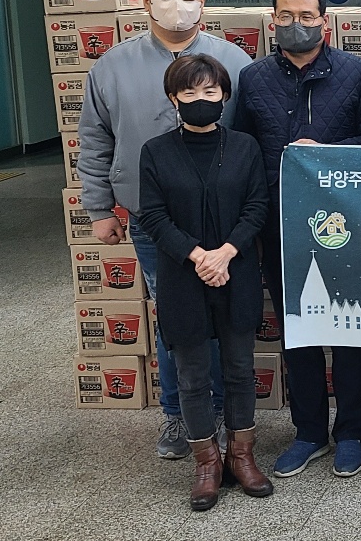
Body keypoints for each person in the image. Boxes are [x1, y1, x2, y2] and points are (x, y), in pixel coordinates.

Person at [77, 0, 251, 460]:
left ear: (203, 0)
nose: (177, 2)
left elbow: (249, 139)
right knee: (174, 319)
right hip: (153, 222)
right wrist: (99, 208)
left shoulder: (234, 61)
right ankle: (178, 414)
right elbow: (94, 140)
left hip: (225, 225)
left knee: (224, 318)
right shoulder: (112, 66)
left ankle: (221, 415)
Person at [233, 0, 361, 479]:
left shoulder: (357, 72)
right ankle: (309, 432)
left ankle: (351, 433)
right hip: (279, 224)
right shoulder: (253, 77)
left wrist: (329, 153)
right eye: (286, 16)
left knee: (348, 330)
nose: (296, 25)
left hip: (344, 223)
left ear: (325, 21)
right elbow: (242, 151)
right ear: (272, 21)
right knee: (297, 332)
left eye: (306, 16)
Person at [136, 54, 272, 511]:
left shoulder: (244, 147)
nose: (201, 99)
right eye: (189, 91)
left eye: (210, 90)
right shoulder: (155, 151)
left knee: (239, 370)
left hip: (236, 271)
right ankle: (207, 464)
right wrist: (199, 256)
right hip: (183, 276)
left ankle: (242, 457)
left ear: (224, 95)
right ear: (173, 98)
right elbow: (153, 215)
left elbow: (257, 206)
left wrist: (226, 252)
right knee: (192, 376)